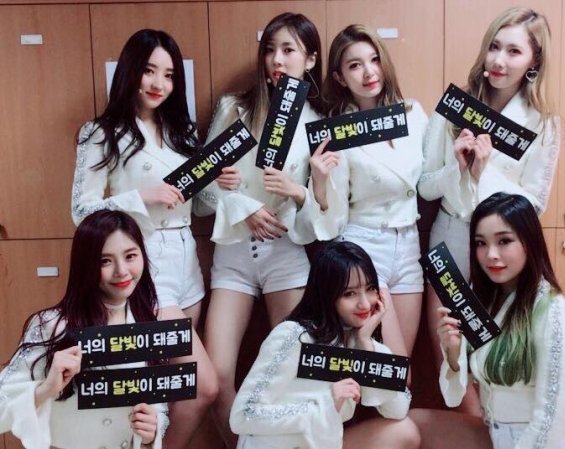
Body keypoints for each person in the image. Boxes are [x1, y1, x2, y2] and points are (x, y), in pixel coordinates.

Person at [71, 29, 227, 448]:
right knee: (204, 386)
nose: (159, 83)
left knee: (168, 383)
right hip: (145, 264)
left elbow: (197, 206)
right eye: (149, 71)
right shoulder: (101, 132)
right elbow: (81, 210)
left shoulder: (181, 131)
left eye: (169, 75)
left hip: (187, 262)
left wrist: (219, 183)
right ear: (130, 72)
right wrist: (141, 196)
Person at [418, 7, 563, 411]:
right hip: (449, 238)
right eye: (494, 47)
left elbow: (534, 204)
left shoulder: (543, 124)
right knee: (449, 350)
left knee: (495, 353)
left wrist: (485, 175)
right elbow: (425, 185)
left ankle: (497, 430)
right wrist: (457, 169)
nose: (499, 60)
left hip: (502, 247)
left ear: (534, 61)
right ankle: (475, 432)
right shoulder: (454, 106)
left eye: (514, 52)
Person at [198, 13, 326, 447]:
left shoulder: (317, 123)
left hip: (286, 255)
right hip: (233, 256)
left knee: (291, 375)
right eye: (270, 49)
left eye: (289, 50)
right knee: (217, 380)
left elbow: (322, 221)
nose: (277, 59)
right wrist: (241, 205)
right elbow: (201, 197)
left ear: (310, 59)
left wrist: (298, 193)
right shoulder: (234, 108)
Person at [409, 193, 565, 449]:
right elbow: (454, 397)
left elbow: (552, 421)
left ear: (529, 241)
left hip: (544, 443)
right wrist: (453, 355)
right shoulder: (486, 302)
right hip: (497, 436)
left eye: (504, 241)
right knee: (412, 425)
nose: (491, 254)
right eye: (481, 243)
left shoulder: (555, 312)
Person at [0, 210, 166, 449]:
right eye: (105, 261)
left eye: (130, 256)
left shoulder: (149, 325)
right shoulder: (51, 325)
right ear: (85, 265)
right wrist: (45, 389)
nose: (121, 270)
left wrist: (152, 434)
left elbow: (159, 404)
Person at [230, 241, 420, 449]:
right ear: (327, 295)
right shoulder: (294, 336)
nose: (365, 304)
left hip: (322, 445)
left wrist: (367, 348)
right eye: (349, 294)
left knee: (404, 431)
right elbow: (243, 415)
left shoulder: (362, 341)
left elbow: (398, 409)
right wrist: (325, 404)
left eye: (370, 289)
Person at [310, 24, 428, 358]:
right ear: (339, 77)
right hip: (364, 246)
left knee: (402, 365)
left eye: (374, 59)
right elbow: (334, 217)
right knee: (387, 362)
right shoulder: (339, 131)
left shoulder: (412, 114)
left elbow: (429, 180)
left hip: (408, 244)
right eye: (355, 65)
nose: (369, 72)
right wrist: (319, 183)